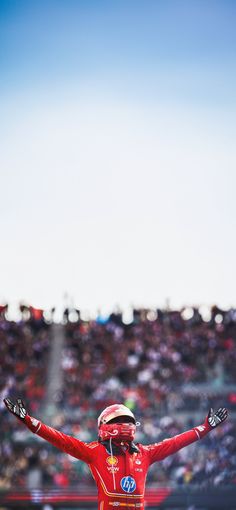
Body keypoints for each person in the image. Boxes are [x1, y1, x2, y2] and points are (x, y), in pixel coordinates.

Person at [4, 399, 228, 510]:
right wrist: (28, 420)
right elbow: (60, 439)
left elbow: (176, 442)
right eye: (119, 421)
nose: (124, 425)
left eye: (128, 421)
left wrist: (206, 427)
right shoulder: (94, 452)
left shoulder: (144, 453)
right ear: (103, 425)